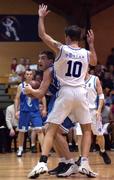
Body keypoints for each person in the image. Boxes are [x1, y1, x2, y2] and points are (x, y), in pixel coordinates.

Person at [26, 4, 98, 178]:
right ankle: (85, 163)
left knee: (51, 129)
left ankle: (42, 162)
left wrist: (41, 17)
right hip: (81, 92)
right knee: (87, 129)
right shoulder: (85, 53)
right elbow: (95, 62)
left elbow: (42, 35)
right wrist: (91, 44)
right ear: (80, 38)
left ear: (66, 37)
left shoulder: (61, 48)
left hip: (65, 92)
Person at [75, 72, 111, 165]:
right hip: (80, 110)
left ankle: (102, 151)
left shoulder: (95, 79)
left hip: (93, 111)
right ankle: (80, 156)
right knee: (79, 135)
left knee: (99, 134)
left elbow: (101, 96)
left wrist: (99, 110)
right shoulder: (76, 79)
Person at [15, 69, 46, 157]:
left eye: (30, 74)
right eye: (27, 74)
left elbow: (42, 96)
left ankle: (44, 151)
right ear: (25, 76)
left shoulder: (37, 85)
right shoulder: (21, 86)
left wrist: (44, 109)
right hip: (24, 112)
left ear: (32, 76)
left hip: (35, 111)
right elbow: (17, 98)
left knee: (39, 130)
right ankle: (20, 149)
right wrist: (16, 111)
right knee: (21, 131)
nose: (29, 75)